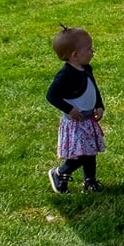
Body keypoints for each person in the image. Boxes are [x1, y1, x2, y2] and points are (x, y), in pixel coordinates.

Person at [46, 26, 105, 193]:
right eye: (89, 48)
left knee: (90, 152)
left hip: (88, 120)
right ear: (74, 55)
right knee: (81, 154)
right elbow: (51, 95)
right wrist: (70, 109)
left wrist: (99, 105)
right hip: (76, 122)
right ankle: (60, 172)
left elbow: (93, 88)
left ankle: (90, 181)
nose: (92, 51)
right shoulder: (65, 75)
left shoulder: (86, 68)